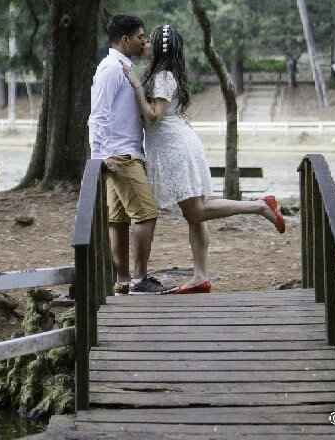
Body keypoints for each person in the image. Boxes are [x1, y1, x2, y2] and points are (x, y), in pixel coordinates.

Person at [123, 23, 286, 295]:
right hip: (177, 142)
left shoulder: (162, 76)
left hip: (174, 147)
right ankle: (200, 276)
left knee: (196, 211)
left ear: (160, 47)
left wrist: (137, 88)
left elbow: (154, 114)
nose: (145, 45)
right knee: (196, 214)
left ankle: (260, 206)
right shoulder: (163, 74)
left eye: (149, 40)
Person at [88, 14, 162, 294]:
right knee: (146, 214)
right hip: (121, 156)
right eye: (141, 36)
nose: (144, 41)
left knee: (118, 219)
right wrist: (99, 157)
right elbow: (98, 115)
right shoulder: (112, 69)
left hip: (121, 152)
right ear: (125, 39)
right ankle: (140, 278)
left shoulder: (122, 67)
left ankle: (122, 281)